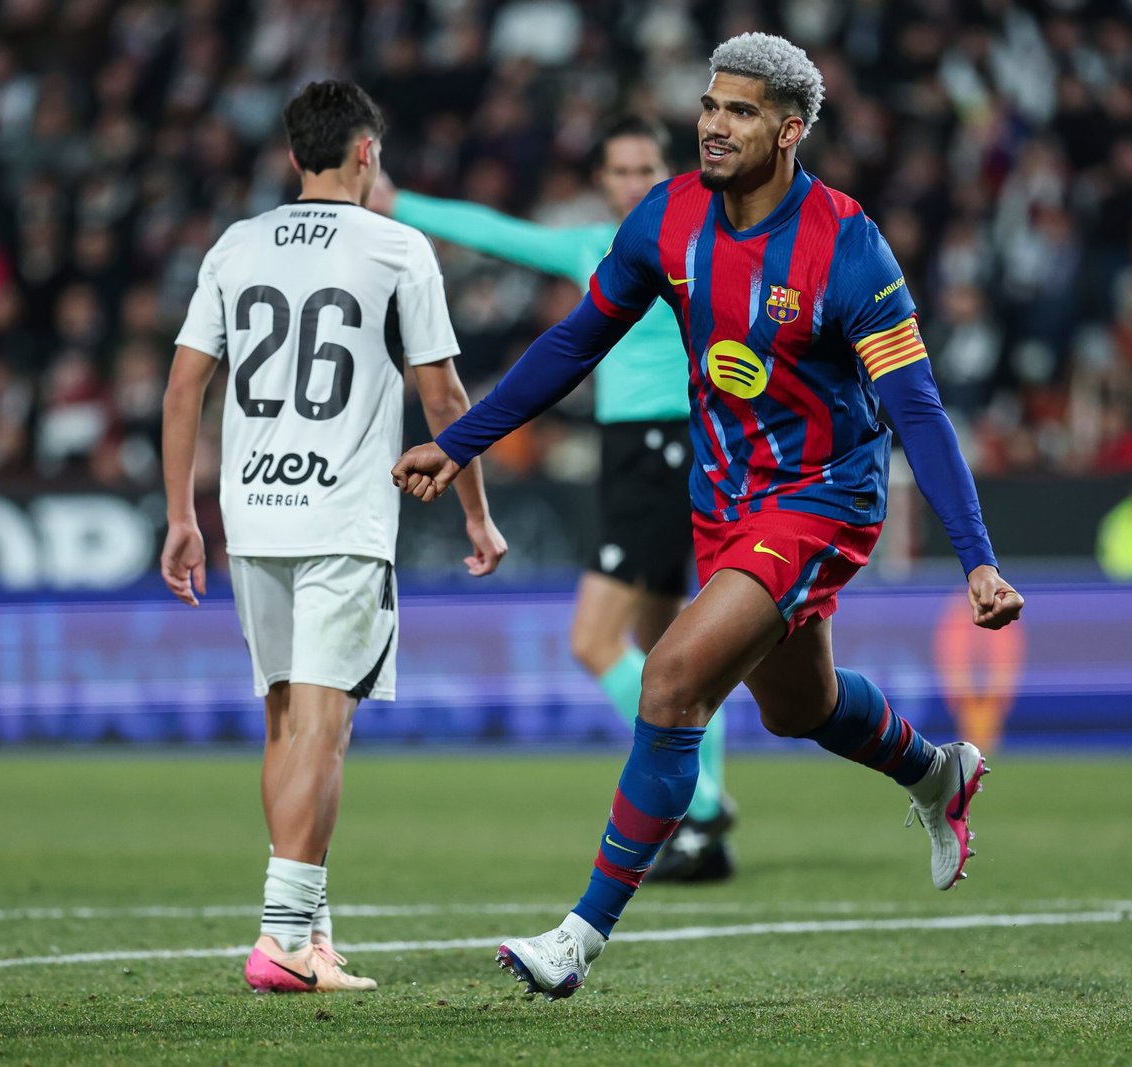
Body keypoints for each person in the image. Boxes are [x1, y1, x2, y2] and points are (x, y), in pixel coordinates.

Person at [393, 33, 1022, 999]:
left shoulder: (847, 245)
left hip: (820, 497)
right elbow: (575, 341)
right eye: (710, 105)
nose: (714, 126)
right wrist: (462, 439)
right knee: (798, 706)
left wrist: (975, 556)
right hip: (722, 496)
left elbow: (919, 409)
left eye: (740, 112)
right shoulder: (669, 215)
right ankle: (938, 773)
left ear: (791, 130)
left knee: (672, 677)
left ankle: (577, 938)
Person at [161, 80, 505, 993]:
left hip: (253, 512)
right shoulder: (396, 247)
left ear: (292, 156)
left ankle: (308, 929)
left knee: (285, 721)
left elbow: (185, 384)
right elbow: (444, 397)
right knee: (324, 728)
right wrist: (476, 511)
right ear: (365, 153)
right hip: (343, 517)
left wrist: (183, 515)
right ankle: (280, 937)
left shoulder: (237, 244)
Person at [368, 116, 738, 882]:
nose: (633, 184)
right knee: (674, 650)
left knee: (594, 640)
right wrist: (401, 204)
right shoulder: (601, 246)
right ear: (601, 181)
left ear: (669, 173)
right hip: (645, 453)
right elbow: (499, 233)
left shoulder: (695, 237)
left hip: (664, 448)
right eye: (620, 171)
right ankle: (705, 818)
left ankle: (701, 803)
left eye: (645, 170)